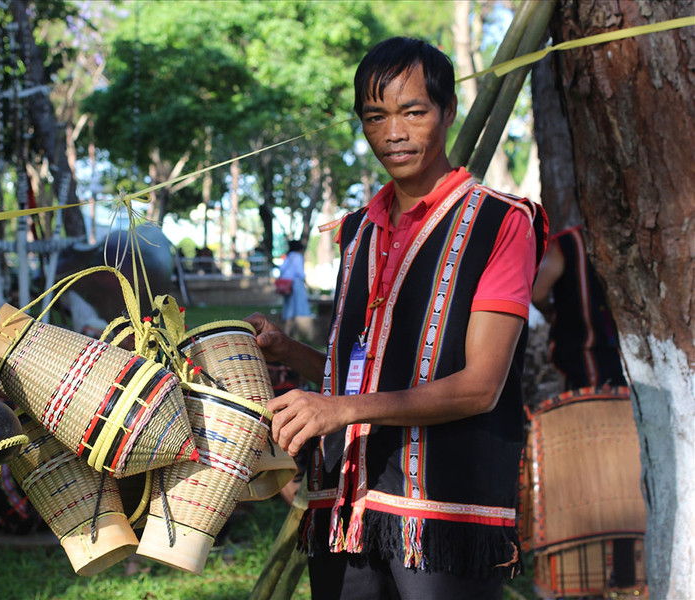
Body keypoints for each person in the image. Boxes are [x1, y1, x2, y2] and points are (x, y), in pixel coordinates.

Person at [245, 37, 547, 599]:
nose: (393, 133)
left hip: (443, 511)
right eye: (375, 117)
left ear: (448, 111)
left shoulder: (500, 224)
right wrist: (288, 351)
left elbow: (481, 387)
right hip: (346, 502)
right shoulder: (356, 231)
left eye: (413, 112)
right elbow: (366, 373)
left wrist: (339, 409)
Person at [531, 225, 626, 390]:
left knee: (590, 400)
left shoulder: (571, 242)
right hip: (624, 347)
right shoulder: (630, 238)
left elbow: (538, 294)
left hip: (584, 347)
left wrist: (549, 312)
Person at [277, 239, 313, 341]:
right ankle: (288, 335)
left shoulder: (288, 257)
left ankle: (289, 335)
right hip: (295, 285)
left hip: (286, 286)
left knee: (288, 307)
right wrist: (307, 284)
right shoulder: (297, 257)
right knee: (294, 309)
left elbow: (281, 270)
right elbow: (300, 273)